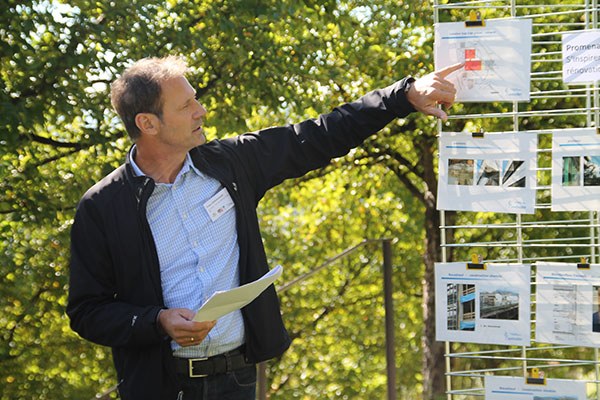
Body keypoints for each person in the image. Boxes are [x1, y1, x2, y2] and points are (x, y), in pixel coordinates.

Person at [66, 55, 461, 400]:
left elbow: (320, 135)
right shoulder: (102, 206)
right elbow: (87, 312)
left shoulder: (231, 164)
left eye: (196, 99)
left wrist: (403, 97)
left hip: (238, 378)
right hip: (159, 387)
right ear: (147, 123)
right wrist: (157, 321)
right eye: (186, 105)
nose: (201, 111)